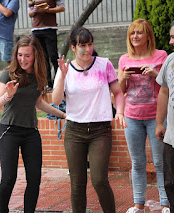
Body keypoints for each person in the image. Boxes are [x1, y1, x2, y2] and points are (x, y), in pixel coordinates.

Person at [52, 26, 126, 212]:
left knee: (99, 180)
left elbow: (117, 92)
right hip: (74, 131)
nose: (87, 49)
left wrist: (120, 112)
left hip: (100, 130)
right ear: (73, 47)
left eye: (90, 44)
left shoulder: (104, 64)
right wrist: (62, 75)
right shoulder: (65, 69)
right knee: (77, 184)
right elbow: (55, 100)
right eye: (82, 45)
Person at [0, 36, 66, 213]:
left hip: (31, 133)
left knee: (34, 179)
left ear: (35, 56)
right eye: (20, 55)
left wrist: (64, 115)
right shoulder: (8, 74)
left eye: (27, 56)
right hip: (9, 131)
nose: (23, 59)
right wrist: (8, 95)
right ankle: (2, 210)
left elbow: (38, 102)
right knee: (9, 178)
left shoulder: (39, 76)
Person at [118, 18, 170, 213]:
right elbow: (120, 91)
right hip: (132, 117)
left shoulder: (161, 56)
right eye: (132, 33)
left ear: (148, 35)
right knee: (137, 162)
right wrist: (122, 78)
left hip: (156, 117)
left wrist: (155, 73)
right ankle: (138, 204)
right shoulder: (124, 59)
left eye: (139, 33)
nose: (135, 36)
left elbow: (168, 84)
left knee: (159, 162)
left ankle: (165, 203)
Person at [155, 21, 174, 213]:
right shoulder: (170, 60)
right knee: (170, 183)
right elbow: (163, 92)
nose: (170, 42)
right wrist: (160, 122)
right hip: (171, 138)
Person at [28, 0, 65, 92]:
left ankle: (59, 82)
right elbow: (30, 13)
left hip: (50, 29)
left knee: (53, 56)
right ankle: (48, 84)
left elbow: (62, 8)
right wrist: (35, 11)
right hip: (36, 30)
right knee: (42, 58)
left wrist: (47, 10)